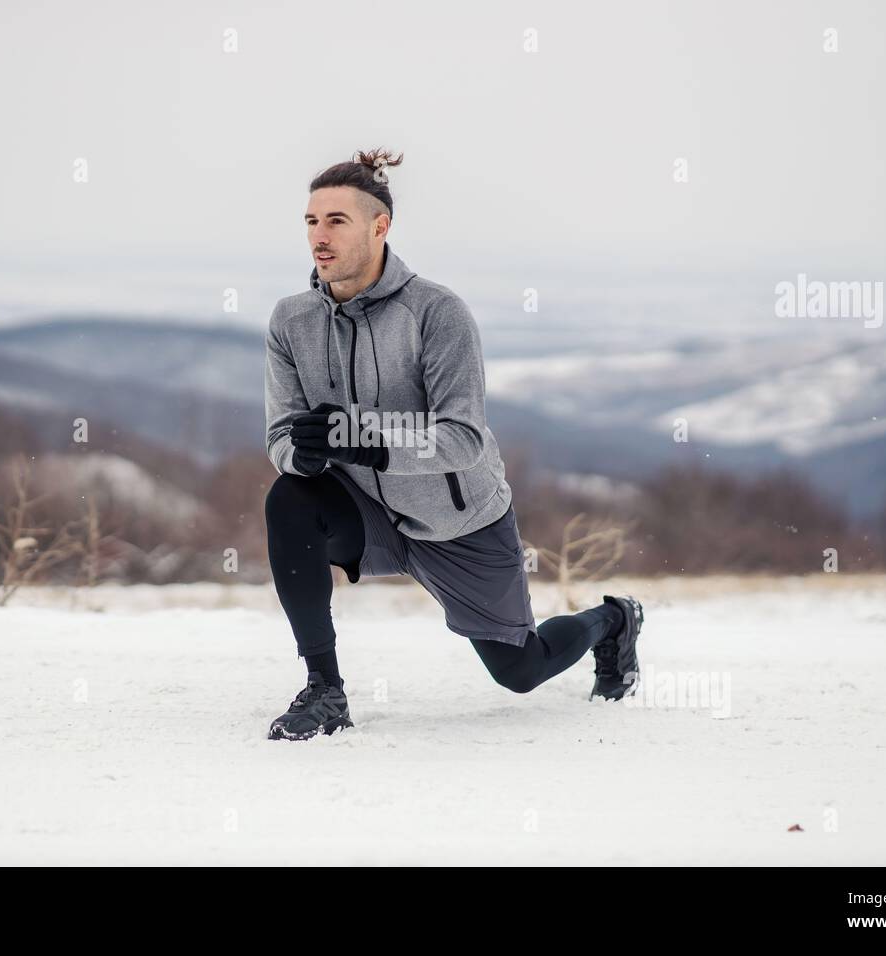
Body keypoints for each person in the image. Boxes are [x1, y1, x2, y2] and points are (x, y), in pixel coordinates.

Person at [263, 148, 644, 741]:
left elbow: (463, 437)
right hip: (368, 513)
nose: (319, 236)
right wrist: (302, 453)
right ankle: (324, 690)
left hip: (458, 522)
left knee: (521, 669)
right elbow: (281, 435)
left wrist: (369, 441)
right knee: (289, 496)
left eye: (336, 221)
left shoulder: (436, 313)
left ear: (380, 225)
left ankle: (614, 621)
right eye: (311, 221)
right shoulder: (291, 321)